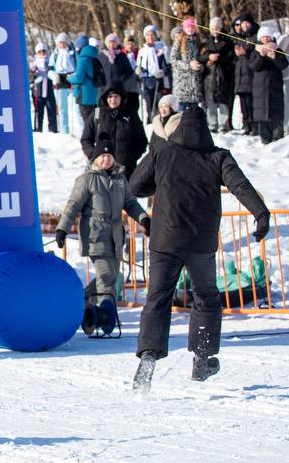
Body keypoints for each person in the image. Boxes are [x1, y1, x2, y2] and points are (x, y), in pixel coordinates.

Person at [128, 106, 271, 390]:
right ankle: (203, 358)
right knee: (205, 297)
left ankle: (148, 355)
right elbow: (241, 186)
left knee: (158, 298)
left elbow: (135, 186)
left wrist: (160, 178)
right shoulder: (218, 157)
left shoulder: (163, 152)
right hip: (200, 243)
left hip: (164, 241)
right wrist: (261, 214)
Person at [55, 140, 149, 333]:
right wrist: (62, 229)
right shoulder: (87, 179)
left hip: (115, 236)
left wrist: (144, 219)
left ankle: (79, 299)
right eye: (102, 156)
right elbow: (73, 205)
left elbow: (130, 203)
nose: (106, 159)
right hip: (95, 234)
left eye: (109, 156)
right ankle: (107, 318)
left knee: (111, 275)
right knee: (106, 276)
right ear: (96, 159)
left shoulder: (120, 178)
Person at [80, 83, 148, 179]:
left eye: (116, 96)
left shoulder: (131, 115)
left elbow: (141, 141)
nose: (113, 100)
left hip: (125, 169)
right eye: (110, 97)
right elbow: (86, 139)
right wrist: (93, 155)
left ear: (121, 98)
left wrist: (130, 158)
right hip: (101, 168)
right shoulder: (97, 114)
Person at [250, 24, 287, 144]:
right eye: (263, 37)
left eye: (268, 37)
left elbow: (284, 65)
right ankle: (265, 140)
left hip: (274, 88)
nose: (265, 39)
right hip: (259, 90)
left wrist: (275, 57)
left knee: (276, 113)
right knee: (262, 115)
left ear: (272, 38)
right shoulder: (255, 51)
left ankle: (278, 139)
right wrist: (261, 56)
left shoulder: (278, 50)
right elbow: (253, 67)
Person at [169, 18, 205, 111]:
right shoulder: (179, 41)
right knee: (181, 113)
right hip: (182, 85)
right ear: (184, 28)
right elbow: (173, 60)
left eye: (192, 27)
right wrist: (189, 65)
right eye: (188, 27)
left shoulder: (198, 41)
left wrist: (200, 66)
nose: (190, 29)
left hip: (195, 85)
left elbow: (202, 58)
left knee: (193, 115)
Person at [69, 35, 103, 129]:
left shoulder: (83, 60)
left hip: (84, 96)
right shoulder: (94, 57)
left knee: (87, 121)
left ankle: (90, 140)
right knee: (94, 119)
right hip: (95, 95)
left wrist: (70, 78)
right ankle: (96, 139)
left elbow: (79, 78)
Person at [49, 32, 78, 135]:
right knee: (62, 109)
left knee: (77, 107)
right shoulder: (55, 54)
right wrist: (53, 76)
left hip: (71, 79)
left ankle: (82, 130)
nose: (62, 45)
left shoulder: (73, 53)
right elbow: (50, 70)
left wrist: (75, 75)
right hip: (60, 81)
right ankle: (64, 132)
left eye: (64, 43)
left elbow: (78, 65)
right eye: (60, 43)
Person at [30, 43, 58, 133]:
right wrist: (33, 72)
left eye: (43, 51)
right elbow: (31, 76)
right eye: (39, 51)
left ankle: (53, 130)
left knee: (51, 110)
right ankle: (38, 129)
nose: (42, 53)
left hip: (49, 91)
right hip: (38, 92)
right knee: (39, 112)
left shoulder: (50, 61)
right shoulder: (34, 64)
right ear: (36, 53)